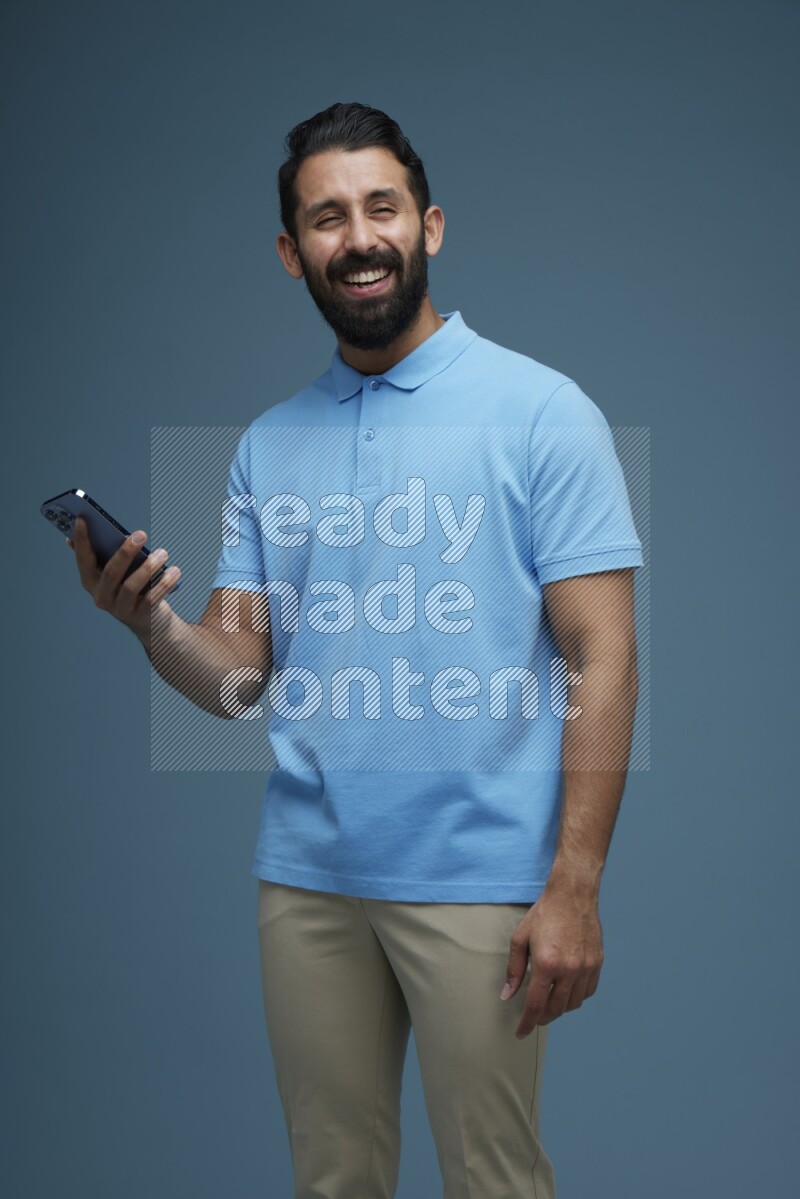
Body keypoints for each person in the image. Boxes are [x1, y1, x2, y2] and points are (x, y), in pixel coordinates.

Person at [68, 101, 644, 1199]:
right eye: (326, 218)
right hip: (307, 879)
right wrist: (148, 621)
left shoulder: (540, 412)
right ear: (293, 255)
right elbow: (239, 677)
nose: (358, 236)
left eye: (380, 207)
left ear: (428, 226)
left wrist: (574, 882)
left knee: (495, 1182)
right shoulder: (268, 441)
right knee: (330, 1180)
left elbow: (601, 655)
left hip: (482, 880)